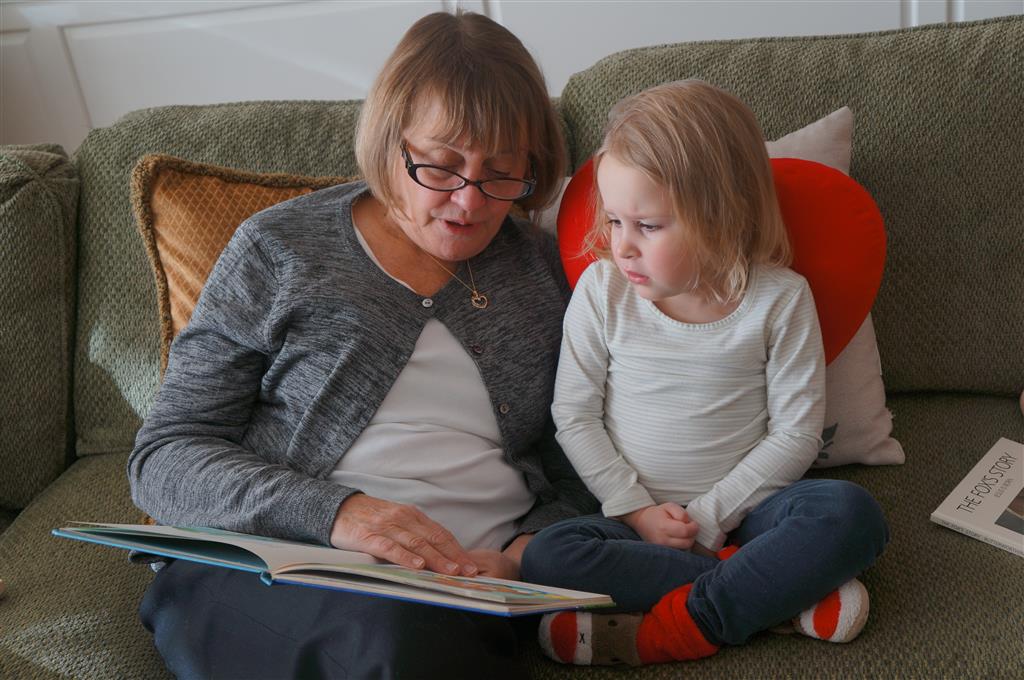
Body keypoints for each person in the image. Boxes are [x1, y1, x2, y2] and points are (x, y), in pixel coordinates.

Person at [128, 11, 596, 679]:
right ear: (390, 143)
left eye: (500, 173)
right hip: (283, 569)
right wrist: (339, 514)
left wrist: (524, 555)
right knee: (395, 644)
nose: (469, 202)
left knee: (425, 641)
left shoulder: (546, 272)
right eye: (440, 166)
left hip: (465, 595)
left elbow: (581, 464)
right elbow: (164, 457)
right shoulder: (279, 248)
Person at [519, 80, 889, 666]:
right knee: (547, 556)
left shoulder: (780, 299)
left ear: (723, 215)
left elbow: (796, 433)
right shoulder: (602, 291)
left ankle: (674, 627)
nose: (623, 246)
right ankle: (775, 597)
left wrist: (711, 518)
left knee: (851, 515)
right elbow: (574, 414)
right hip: (634, 523)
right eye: (613, 220)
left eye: (648, 225)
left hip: (752, 516)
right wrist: (636, 510)